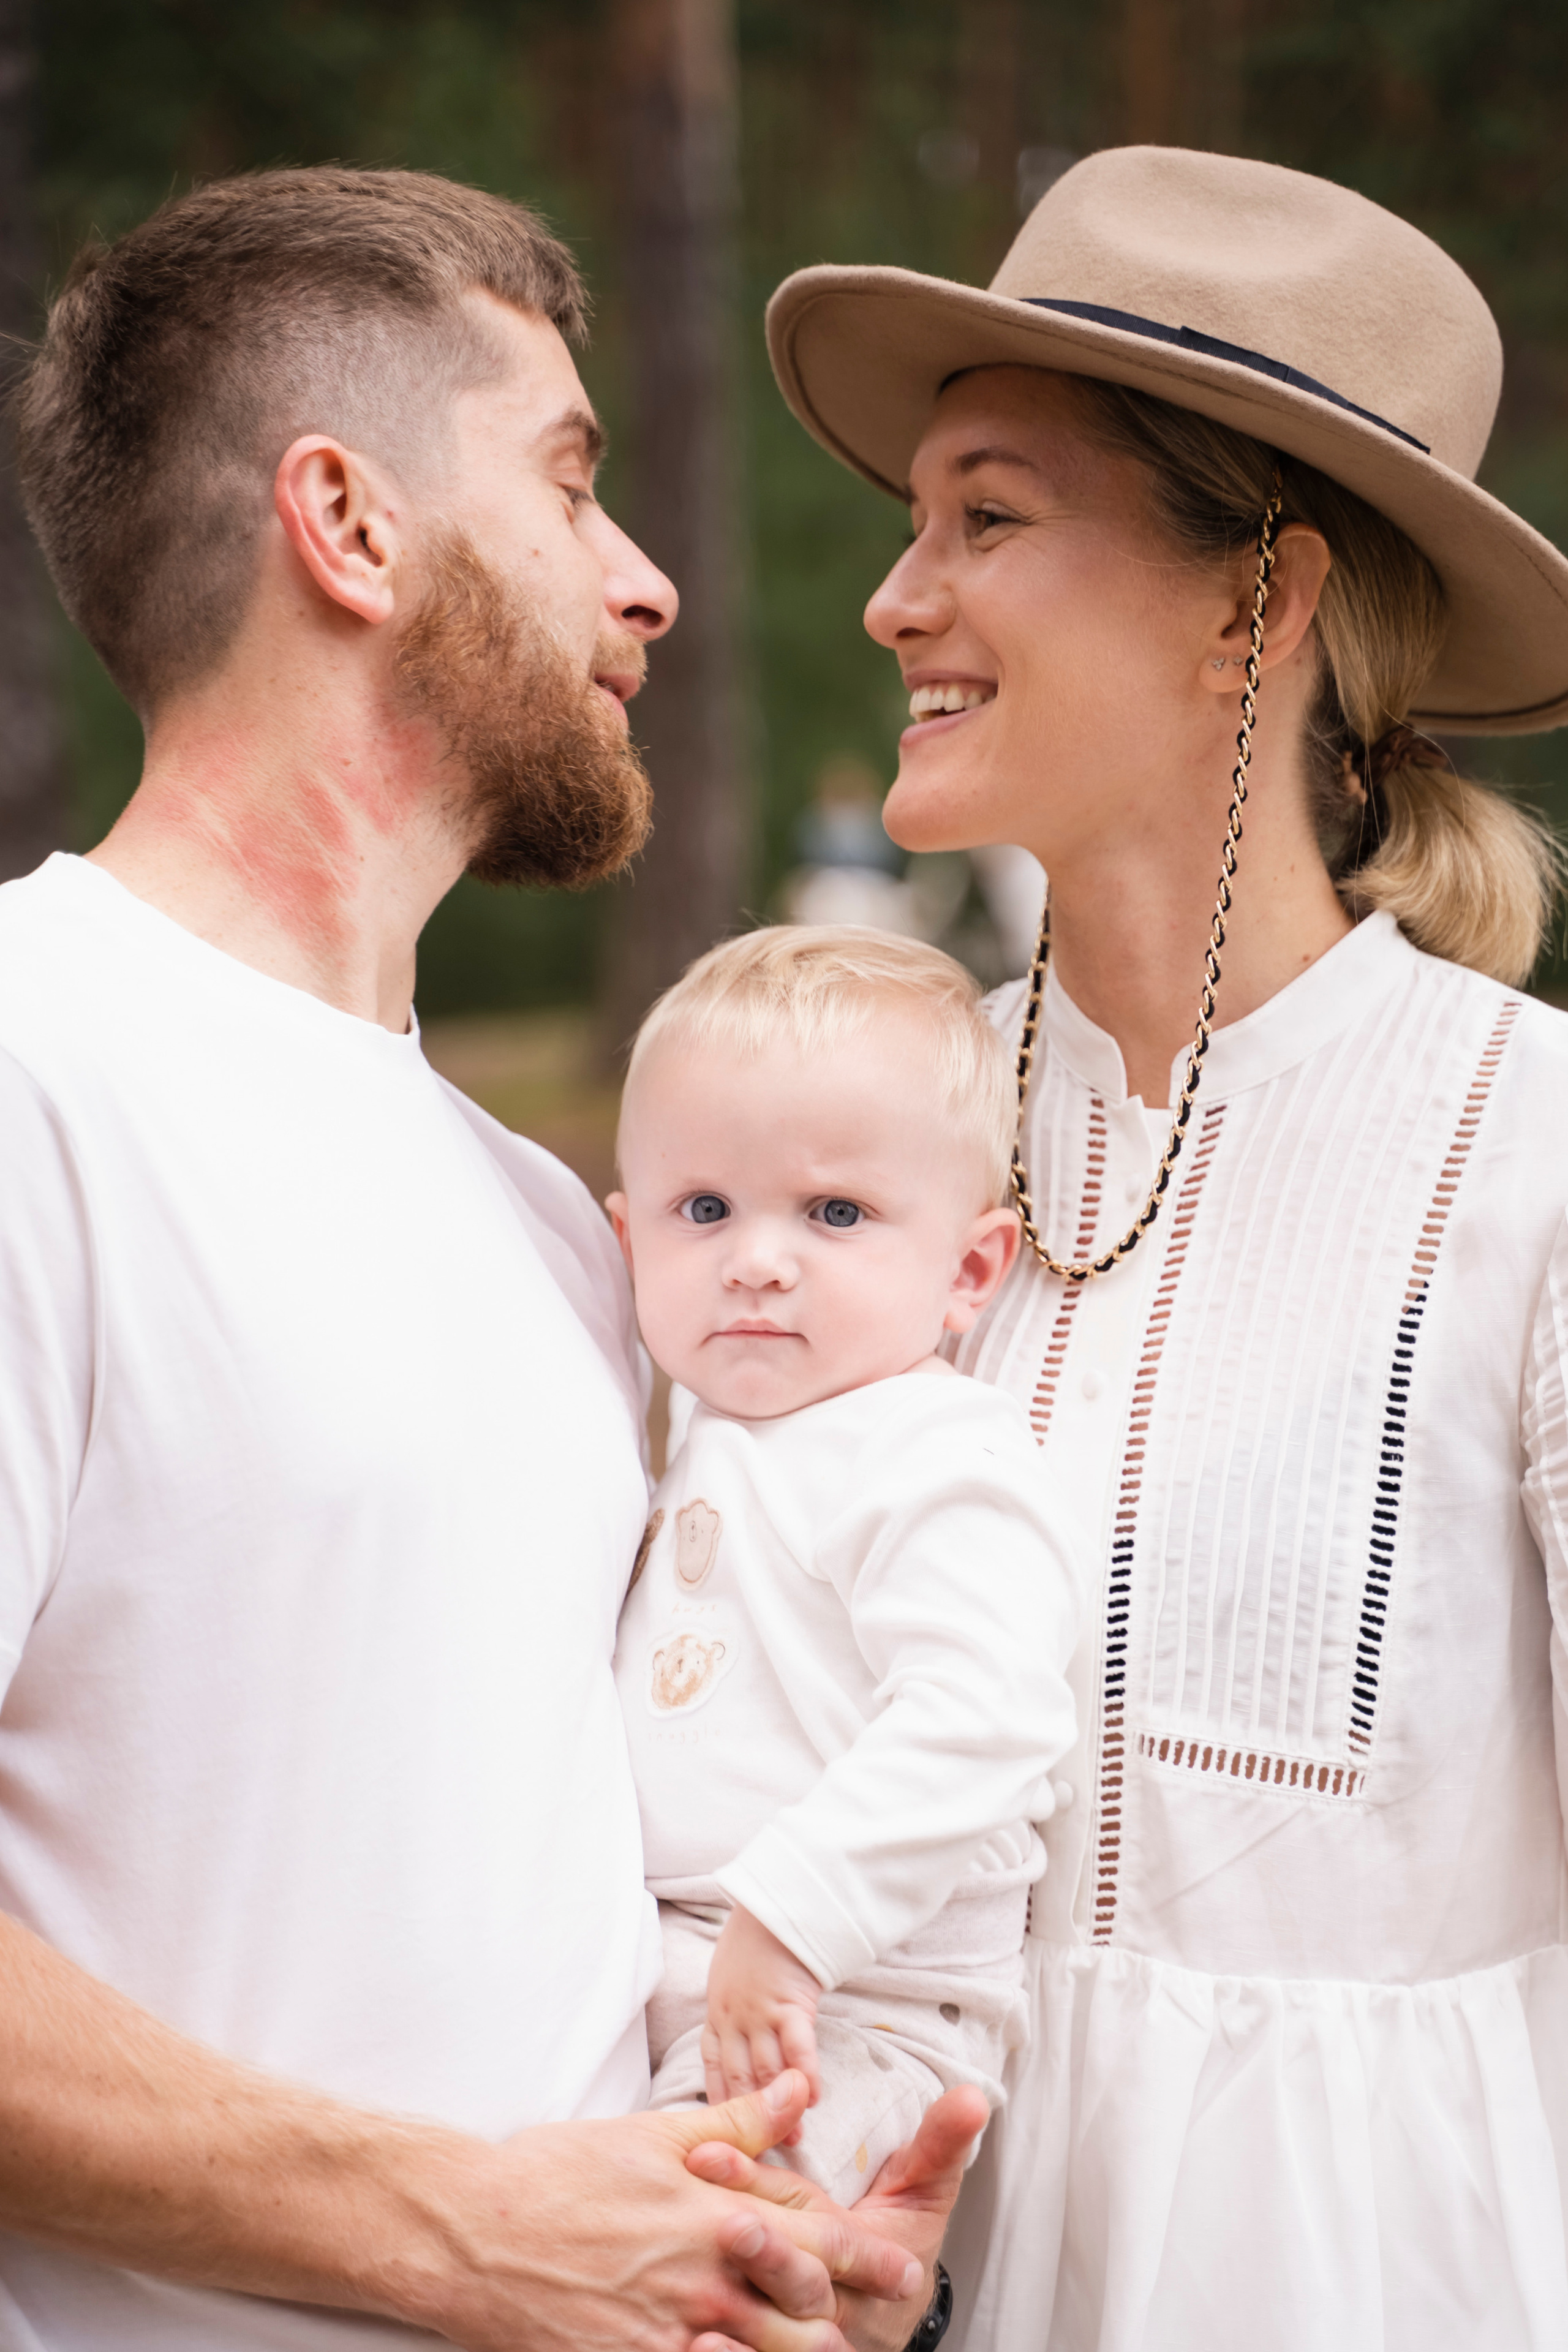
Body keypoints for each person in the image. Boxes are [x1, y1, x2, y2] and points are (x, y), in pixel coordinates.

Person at [0, 165, 970, 2352]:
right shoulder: (32, 1070)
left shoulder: (553, 1223)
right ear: (347, 526)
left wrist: (754, 2233)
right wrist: (462, 2237)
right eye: (569, 482)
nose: (650, 591)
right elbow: (482, 2197)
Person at [764, 143, 1568, 2348]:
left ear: (1258, 600)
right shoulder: (848, 1150)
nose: (896, 598)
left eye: (988, 519)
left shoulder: (1533, 1159)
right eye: (912, 521)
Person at [608, 927, 1082, 2205]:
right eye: (702, 1210)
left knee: (708, 2232)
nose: (757, 1258)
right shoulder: (707, 1426)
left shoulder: (932, 1447)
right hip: (681, 1961)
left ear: (968, 1270)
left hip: (861, 1999)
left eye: (834, 1213)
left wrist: (791, 1917)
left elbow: (988, 1714)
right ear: (627, 1238)